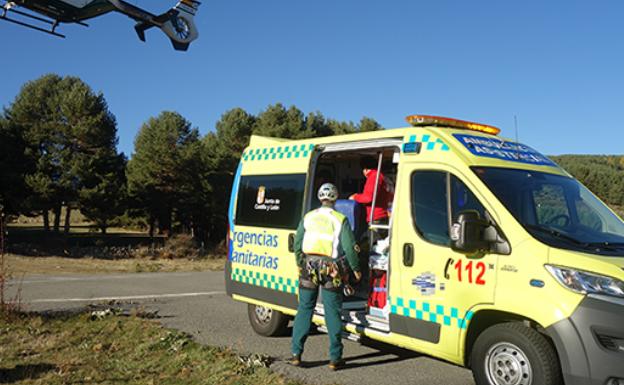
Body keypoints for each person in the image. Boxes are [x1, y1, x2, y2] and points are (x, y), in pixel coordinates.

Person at [290, 183, 362, 371]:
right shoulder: (340, 219)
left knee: (305, 308)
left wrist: (300, 262)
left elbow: (298, 243)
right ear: (335, 198)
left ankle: (296, 354)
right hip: (331, 269)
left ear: (319, 197)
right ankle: (334, 358)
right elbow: (349, 246)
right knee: (332, 312)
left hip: (308, 267)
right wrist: (356, 269)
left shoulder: (308, 217)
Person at [349, 157, 393, 237]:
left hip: (376, 217)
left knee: (373, 243)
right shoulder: (382, 177)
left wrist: (355, 197)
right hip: (383, 216)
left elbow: (368, 198)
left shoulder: (373, 177)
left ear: (365, 169)